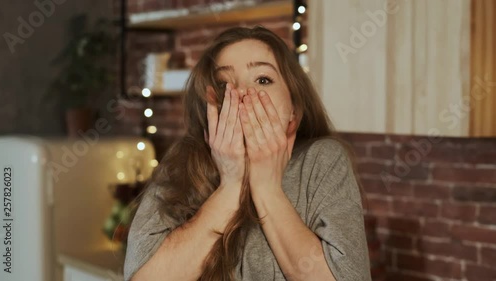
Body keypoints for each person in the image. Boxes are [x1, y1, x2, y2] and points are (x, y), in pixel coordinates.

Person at [124, 26, 371, 281]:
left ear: (294, 112)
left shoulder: (323, 160)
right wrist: (231, 184)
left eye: (263, 80)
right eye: (224, 84)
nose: (240, 94)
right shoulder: (181, 162)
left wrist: (267, 187)